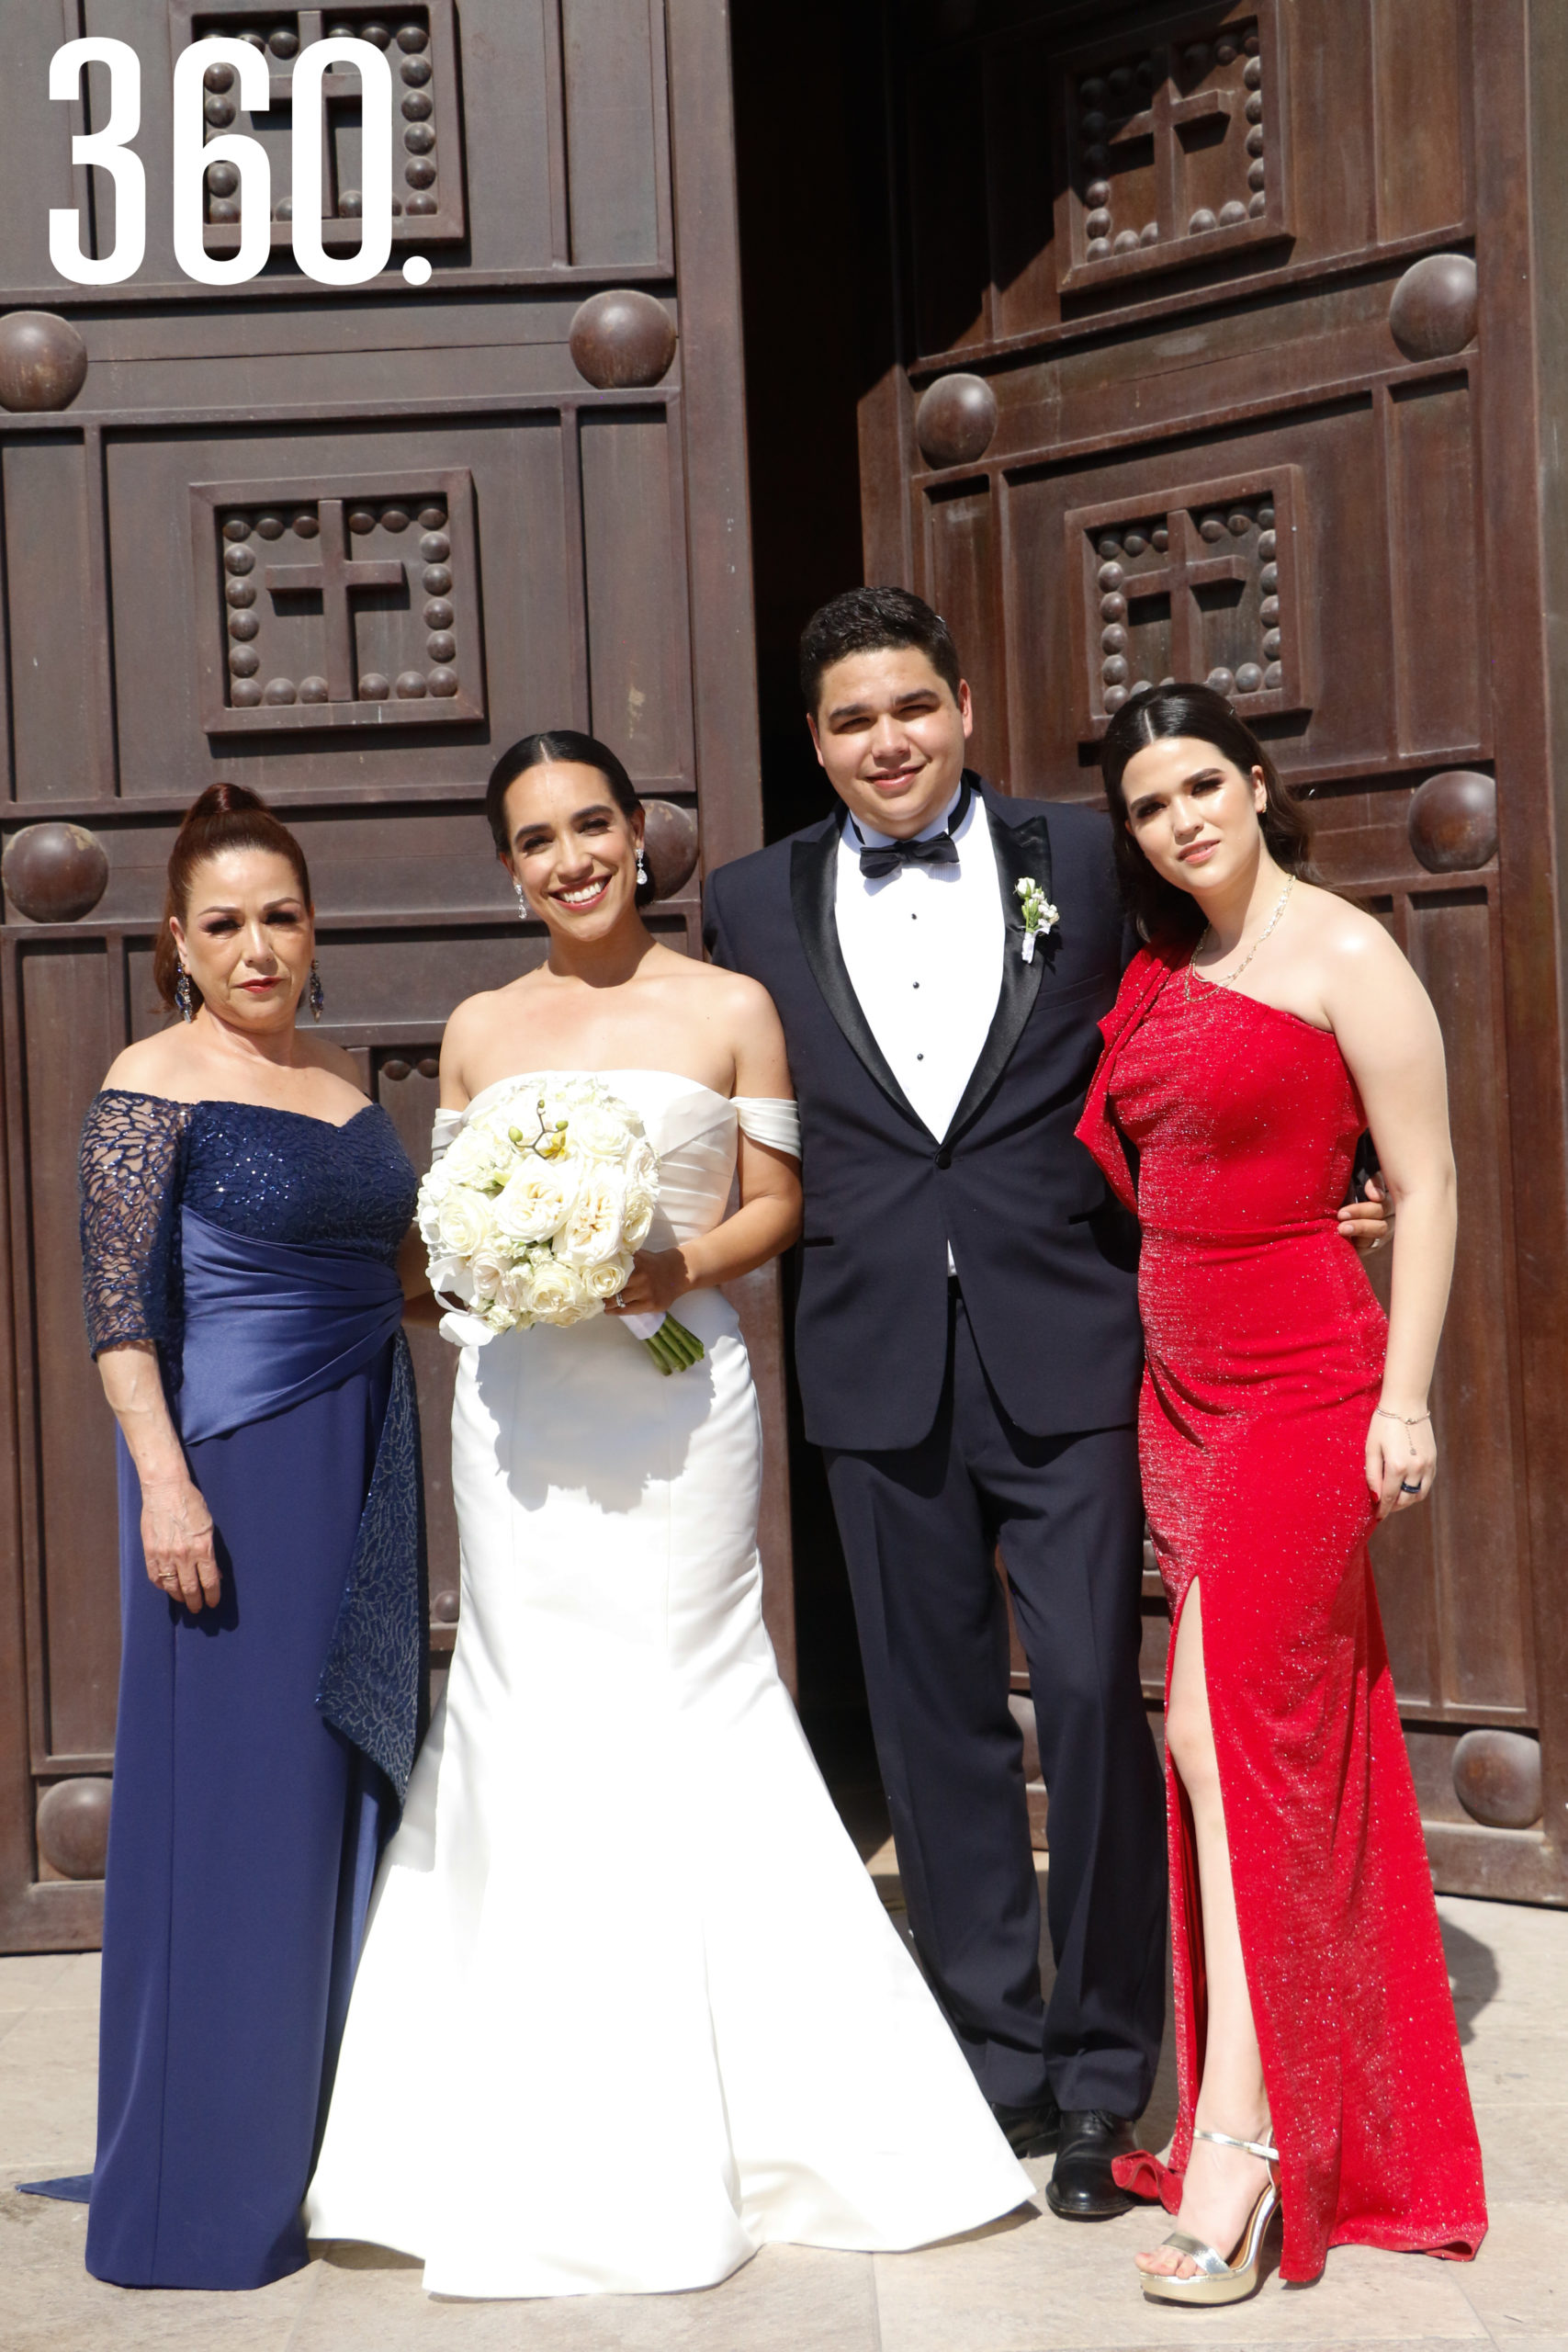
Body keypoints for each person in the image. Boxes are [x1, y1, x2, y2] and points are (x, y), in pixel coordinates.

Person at [305, 729, 1031, 2298]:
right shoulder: (484, 1027)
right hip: (520, 1424)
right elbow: (447, 1224)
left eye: (589, 825)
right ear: (507, 867)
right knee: (528, 1712)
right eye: (533, 838)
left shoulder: (730, 1005)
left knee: (694, 1700)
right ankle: (525, 2115)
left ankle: (783, 2119)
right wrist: (494, 1263)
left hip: (681, 1403)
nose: (566, 857)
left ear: (640, 835)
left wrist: (671, 1269)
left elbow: (781, 1201)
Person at [703, 587, 1391, 2219]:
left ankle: (1104, 2078)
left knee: (1091, 1700)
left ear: (960, 706)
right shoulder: (745, 903)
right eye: (853, 721)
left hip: (1076, 1348)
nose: (888, 742)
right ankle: (991, 2068)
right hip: (874, 1366)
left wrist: (1325, 1171)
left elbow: (1232, 996)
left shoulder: (1083, 864)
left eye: (912, 708)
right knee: (933, 1725)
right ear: (817, 743)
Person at [1076, 683, 1486, 2304]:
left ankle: (1238, 2140)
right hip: (1176, 1391)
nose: (1180, 822)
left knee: (1231, 1743)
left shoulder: (1346, 953)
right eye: (1148, 805)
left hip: (1309, 1383)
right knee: (1207, 1735)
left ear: (1257, 785)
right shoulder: (1163, 964)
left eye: (1200, 787)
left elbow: (1430, 1176)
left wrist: (1406, 1395)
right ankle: (1257, 2092)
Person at [75, 784, 423, 2290]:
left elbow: (411, 1275)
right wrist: (162, 1481)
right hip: (231, 1477)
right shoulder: (150, 1082)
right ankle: (200, 2187)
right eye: (224, 923)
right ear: (177, 941)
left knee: (336, 1787)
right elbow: (118, 1312)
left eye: (280, 915)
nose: (259, 946)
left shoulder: (348, 1089)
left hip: (364, 1461)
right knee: (235, 1815)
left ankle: (320, 2144)